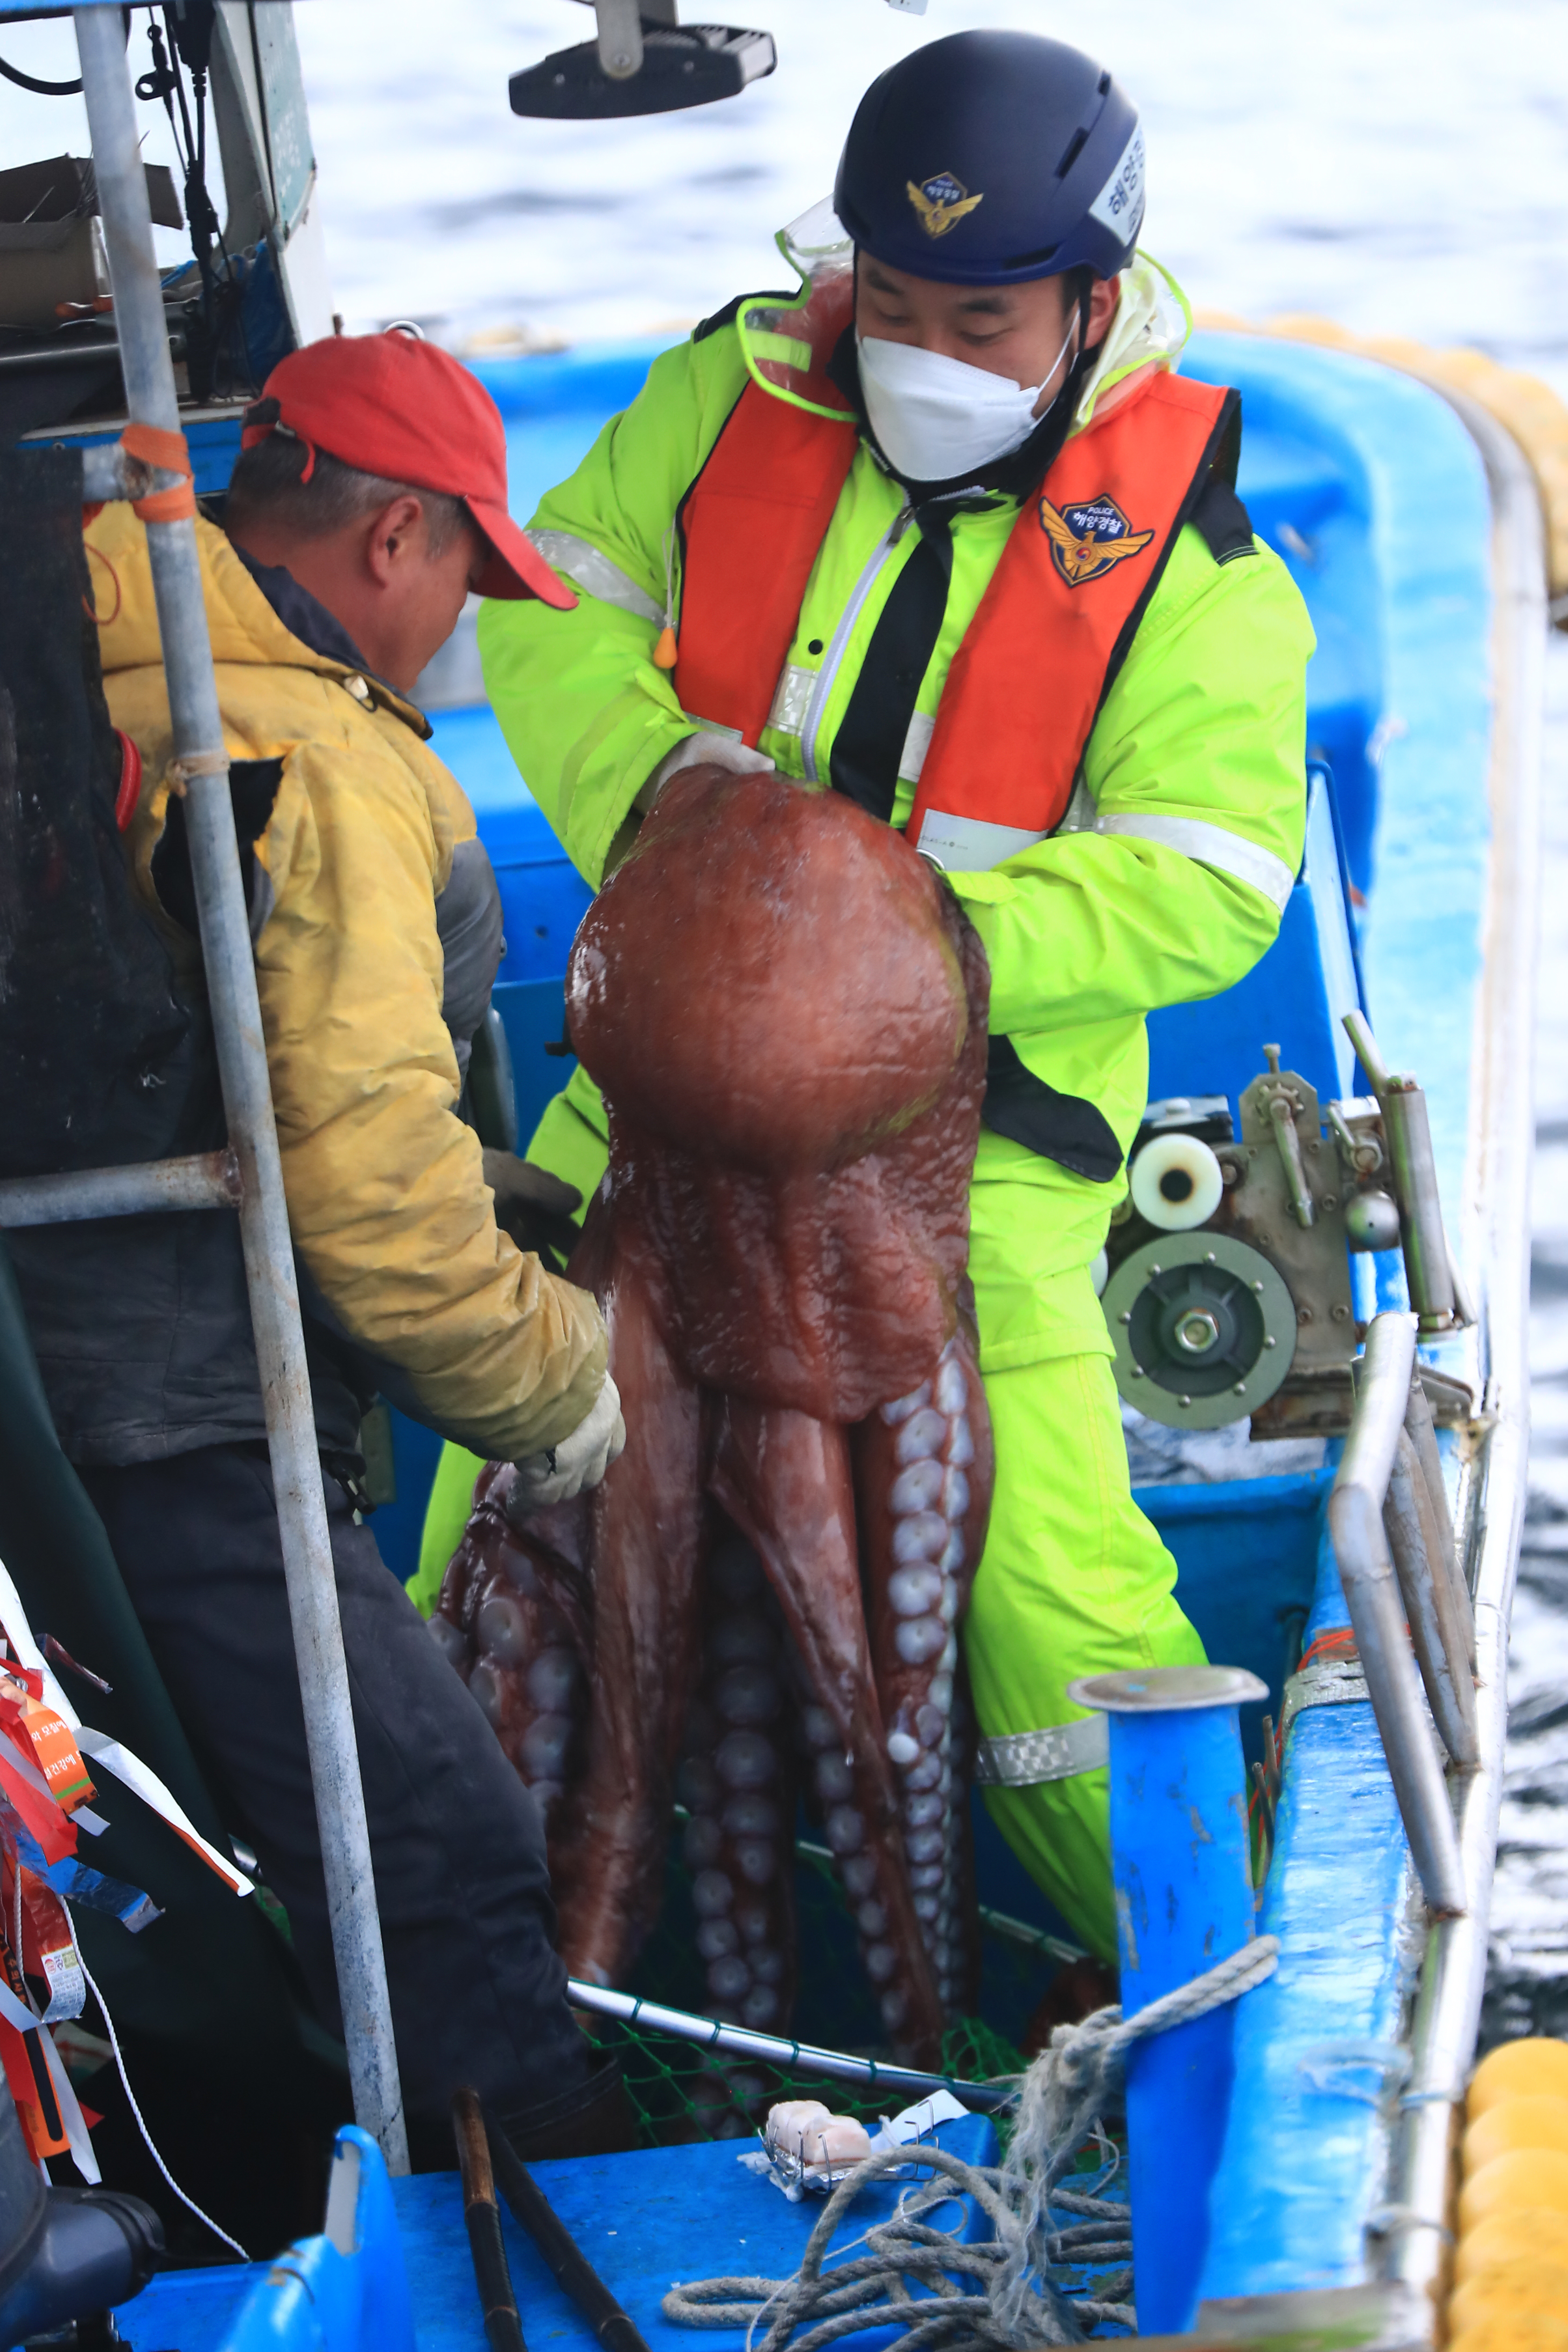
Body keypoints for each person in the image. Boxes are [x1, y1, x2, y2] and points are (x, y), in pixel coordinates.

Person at [467, 30, 1314, 1966]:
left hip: (980, 1151)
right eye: (894, 302)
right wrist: (664, 786)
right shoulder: (729, 389)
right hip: (659, 1092)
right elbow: (550, 596)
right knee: (489, 1525)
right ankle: (490, 2040)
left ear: (1092, 308)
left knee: (1037, 1611)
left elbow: (1215, 883)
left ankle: (1215, 1985)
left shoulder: (1197, 560)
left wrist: (917, 951)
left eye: (986, 319)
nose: (922, 350)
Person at [8, 328, 628, 2160]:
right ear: (394, 538)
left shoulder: (72, 630)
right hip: (174, 1411)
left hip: (37, 1396)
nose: (451, 627)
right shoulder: (312, 756)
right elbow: (358, 1173)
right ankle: (548, 2231)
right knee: (432, 1834)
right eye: (461, 573)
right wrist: (560, 1389)